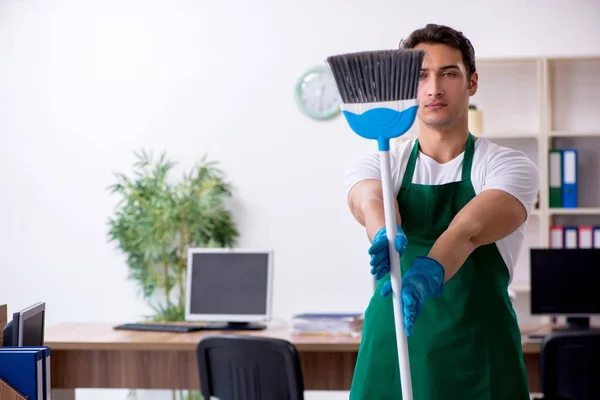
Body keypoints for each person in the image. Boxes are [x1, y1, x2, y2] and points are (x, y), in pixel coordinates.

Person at [344, 24, 540, 400]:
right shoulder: (381, 164)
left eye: (449, 73)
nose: (434, 88)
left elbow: (467, 230)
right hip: (393, 345)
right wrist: (384, 231)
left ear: (472, 83)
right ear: (407, 88)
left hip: (479, 353)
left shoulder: (507, 167)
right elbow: (370, 201)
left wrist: (429, 271)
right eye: (421, 76)